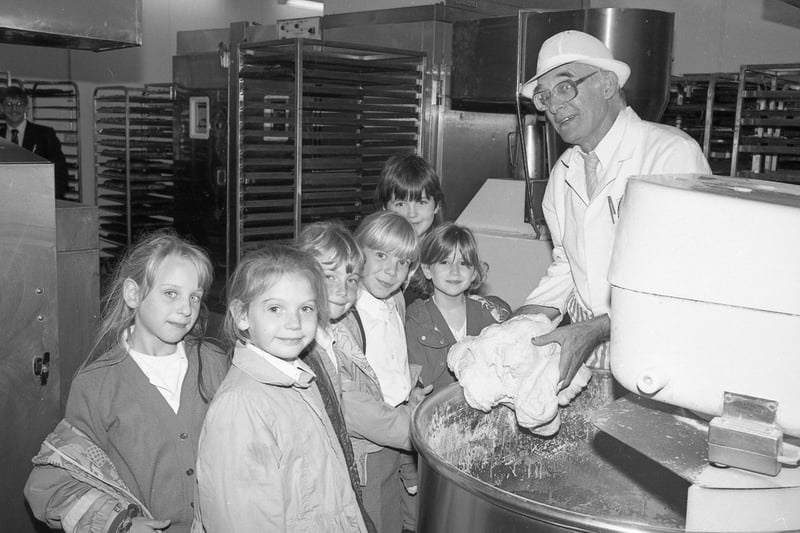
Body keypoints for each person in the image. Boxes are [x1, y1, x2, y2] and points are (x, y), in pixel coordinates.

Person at [516, 30, 712, 386]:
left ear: (607, 85)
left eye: (564, 87)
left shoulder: (669, 156)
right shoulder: (563, 174)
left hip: (659, 349)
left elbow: (686, 277)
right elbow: (569, 265)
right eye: (543, 97)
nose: (554, 105)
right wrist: (520, 323)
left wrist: (596, 328)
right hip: (592, 345)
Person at [24, 229, 229, 533]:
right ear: (133, 294)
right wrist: (120, 523)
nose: (186, 309)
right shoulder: (97, 384)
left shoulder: (215, 364)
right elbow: (51, 485)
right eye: (170, 293)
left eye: (194, 297)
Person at [195, 244, 368, 533]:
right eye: (275, 308)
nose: (294, 323)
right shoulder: (242, 406)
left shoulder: (302, 378)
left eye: (306, 308)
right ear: (243, 315)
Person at [349, 211, 432, 533]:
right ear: (358, 254)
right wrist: (413, 429)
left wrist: (408, 389)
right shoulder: (349, 314)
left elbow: (391, 359)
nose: (391, 270)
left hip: (399, 421)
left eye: (402, 262)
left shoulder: (396, 300)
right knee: (376, 517)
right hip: (371, 442)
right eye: (381, 255)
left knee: (401, 516)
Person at [295, 221, 377, 533]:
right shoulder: (298, 350)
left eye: (352, 278)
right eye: (328, 276)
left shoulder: (341, 332)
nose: (343, 289)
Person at [406, 223, 498, 392]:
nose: (454, 271)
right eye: (444, 262)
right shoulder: (416, 319)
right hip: (434, 410)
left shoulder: (484, 314)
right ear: (427, 270)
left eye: (464, 264)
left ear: (474, 273)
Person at [375, 153, 445, 306]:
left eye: (421, 202)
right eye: (400, 204)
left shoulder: (446, 257)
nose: (411, 214)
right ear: (384, 207)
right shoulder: (370, 257)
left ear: (436, 206)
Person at [1, 86, 70, 199]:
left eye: (19, 104)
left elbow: (60, 174)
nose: (14, 109)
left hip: (39, 202)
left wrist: (49, 201)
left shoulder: (44, 135)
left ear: (26, 108)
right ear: (1, 108)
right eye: (8, 104)